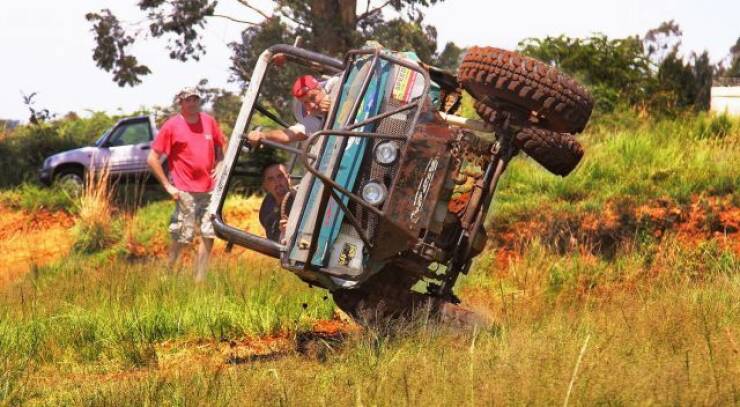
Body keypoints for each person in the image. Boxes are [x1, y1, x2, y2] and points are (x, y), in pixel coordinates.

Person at [147, 87, 225, 282]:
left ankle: (200, 280)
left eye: (195, 99)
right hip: (184, 190)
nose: (192, 103)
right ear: (180, 103)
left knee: (208, 233)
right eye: (188, 100)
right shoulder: (172, 126)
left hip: (209, 188)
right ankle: (167, 276)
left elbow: (220, 147)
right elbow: (152, 158)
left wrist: (220, 165)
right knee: (182, 234)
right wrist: (168, 186)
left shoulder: (209, 122)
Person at [247, 74, 339, 145]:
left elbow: (339, 82)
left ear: (320, 89)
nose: (312, 105)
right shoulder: (310, 121)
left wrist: (331, 98)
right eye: (305, 103)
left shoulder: (334, 84)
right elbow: (288, 135)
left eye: (313, 98)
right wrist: (264, 136)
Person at [258, 162, 293, 242]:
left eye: (280, 176)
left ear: (288, 178)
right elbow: (273, 240)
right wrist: (283, 234)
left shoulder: (302, 197)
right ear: (265, 185)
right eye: (271, 179)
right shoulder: (266, 210)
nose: (277, 183)